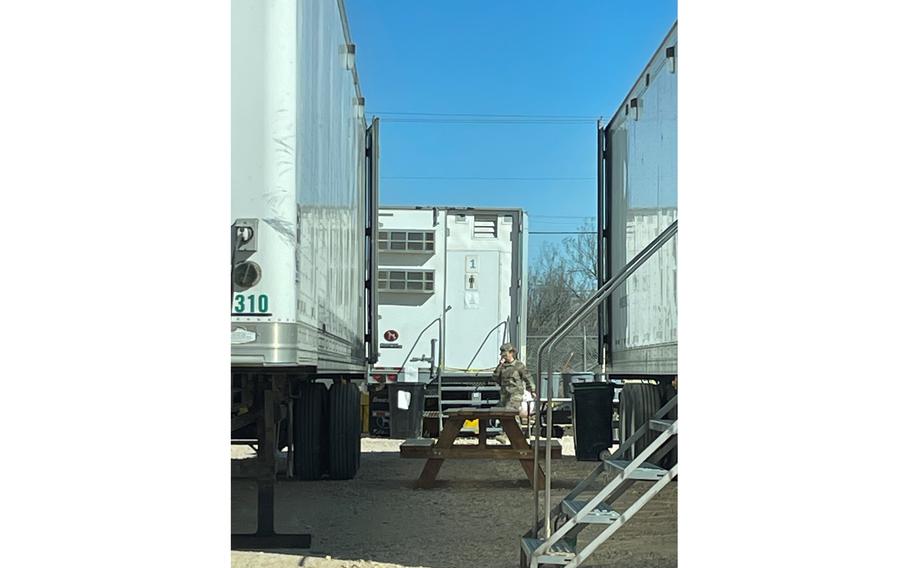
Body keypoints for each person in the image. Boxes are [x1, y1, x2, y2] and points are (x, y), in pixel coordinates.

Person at [491, 343, 535, 444]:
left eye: (505, 353)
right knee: (499, 412)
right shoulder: (502, 367)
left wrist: (532, 390)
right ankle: (509, 435)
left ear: (511, 353)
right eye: (502, 353)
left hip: (515, 395)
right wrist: (499, 365)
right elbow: (495, 378)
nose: (503, 355)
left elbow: (527, 378)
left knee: (511, 413)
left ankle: (515, 437)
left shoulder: (518, 365)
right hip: (504, 395)